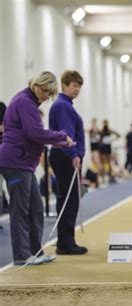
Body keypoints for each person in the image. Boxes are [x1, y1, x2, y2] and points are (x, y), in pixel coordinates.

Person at [0, 71, 74, 265]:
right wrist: (61, 137)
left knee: (35, 208)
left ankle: (35, 252)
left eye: (50, 94)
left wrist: (58, 141)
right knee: (20, 210)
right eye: (46, 93)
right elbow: (35, 133)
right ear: (38, 86)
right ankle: (22, 256)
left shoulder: (29, 102)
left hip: (24, 164)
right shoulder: (25, 102)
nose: (47, 98)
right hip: (15, 162)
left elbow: (34, 134)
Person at [49, 70, 87, 255]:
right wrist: (74, 155)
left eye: (79, 86)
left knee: (66, 199)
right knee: (69, 201)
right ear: (64, 85)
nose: (77, 89)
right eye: (74, 85)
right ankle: (66, 243)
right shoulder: (63, 106)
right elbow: (66, 135)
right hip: (66, 157)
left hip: (64, 156)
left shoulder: (65, 105)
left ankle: (64, 241)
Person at [99, 119, 120, 184]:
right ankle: (104, 178)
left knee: (108, 163)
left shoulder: (108, 131)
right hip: (104, 148)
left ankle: (109, 178)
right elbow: (98, 139)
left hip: (106, 148)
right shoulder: (102, 131)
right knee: (104, 163)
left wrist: (112, 140)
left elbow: (118, 135)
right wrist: (103, 142)